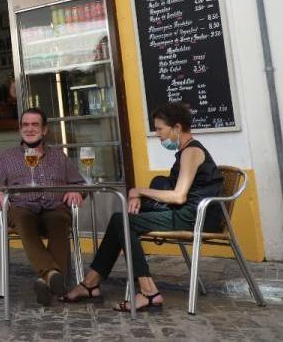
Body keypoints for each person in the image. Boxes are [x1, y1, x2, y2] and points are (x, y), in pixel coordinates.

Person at [63, 102, 225, 312]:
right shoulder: (186, 150)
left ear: (176, 127)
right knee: (119, 220)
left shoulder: (191, 152)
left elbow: (178, 196)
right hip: (189, 214)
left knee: (123, 221)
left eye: (159, 129)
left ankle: (148, 292)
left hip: (194, 217)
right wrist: (139, 196)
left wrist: (139, 191)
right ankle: (90, 283)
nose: (157, 134)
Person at [0, 108, 85, 305]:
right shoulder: (7, 157)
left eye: (35, 125)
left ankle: (45, 280)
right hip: (22, 208)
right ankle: (52, 273)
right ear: (20, 129)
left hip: (54, 207)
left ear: (44, 130)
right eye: (25, 125)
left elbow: (79, 184)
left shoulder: (58, 156)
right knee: (22, 218)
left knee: (59, 220)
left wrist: (77, 191)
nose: (29, 129)